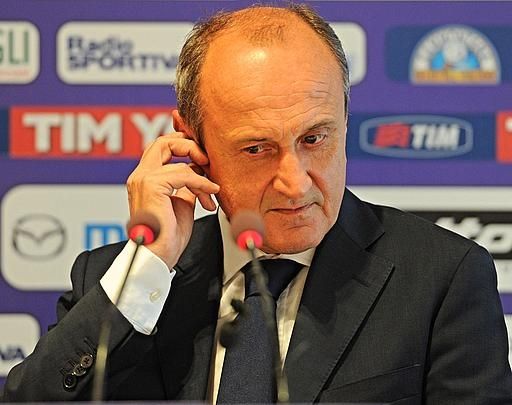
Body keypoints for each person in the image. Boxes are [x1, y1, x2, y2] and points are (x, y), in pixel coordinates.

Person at [3, 4, 512, 403]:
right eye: (256, 149)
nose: (295, 183)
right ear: (191, 141)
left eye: (315, 138)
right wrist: (150, 267)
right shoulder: (119, 281)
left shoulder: (441, 278)